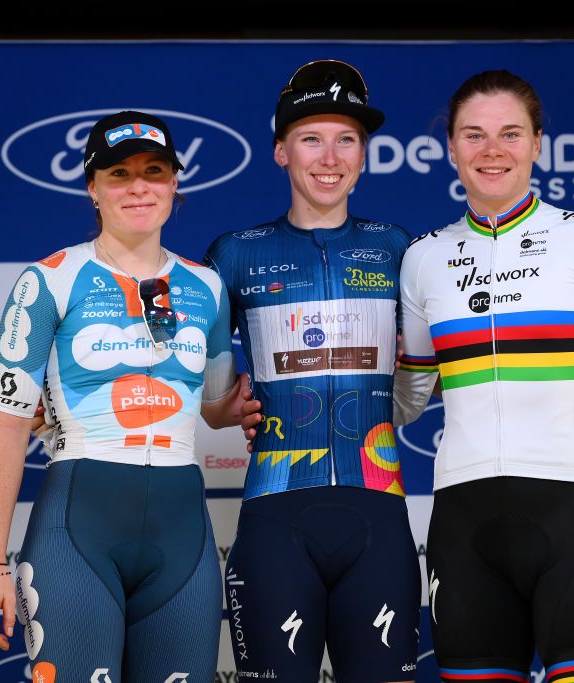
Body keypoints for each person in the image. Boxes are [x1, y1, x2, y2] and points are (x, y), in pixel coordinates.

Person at [396, 69, 574, 682]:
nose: (492, 150)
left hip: (573, 514)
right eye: (474, 135)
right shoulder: (423, 258)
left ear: (539, 143)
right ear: (451, 148)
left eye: (510, 134)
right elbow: (406, 401)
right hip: (463, 525)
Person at [0, 110, 242, 683]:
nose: (139, 186)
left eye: (155, 170)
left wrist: (245, 408)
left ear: (175, 185)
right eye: (118, 173)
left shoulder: (208, 286)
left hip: (182, 531)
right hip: (80, 528)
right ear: (92, 188)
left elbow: (215, 403)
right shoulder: (49, 279)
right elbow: (9, 429)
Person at [203, 60, 421, 682]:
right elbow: (214, 396)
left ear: (364, 154)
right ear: (280, 152)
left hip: (378, 512)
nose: (330, 157)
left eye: (346, 139)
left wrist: (394, 394)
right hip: (275, 515)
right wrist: (226, 409)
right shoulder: (235, 253)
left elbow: (414, 387)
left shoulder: (396, 248)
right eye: (310, 139)